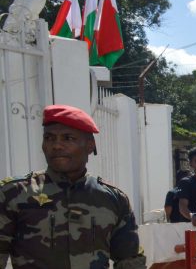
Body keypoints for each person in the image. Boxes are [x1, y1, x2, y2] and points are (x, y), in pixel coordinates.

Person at [0, 104, 145, 267]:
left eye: (68, 138)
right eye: (49, 138)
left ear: (90, 146)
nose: (56, 146)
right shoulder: (13, 194)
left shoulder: (112, 199)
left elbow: (130, 260)